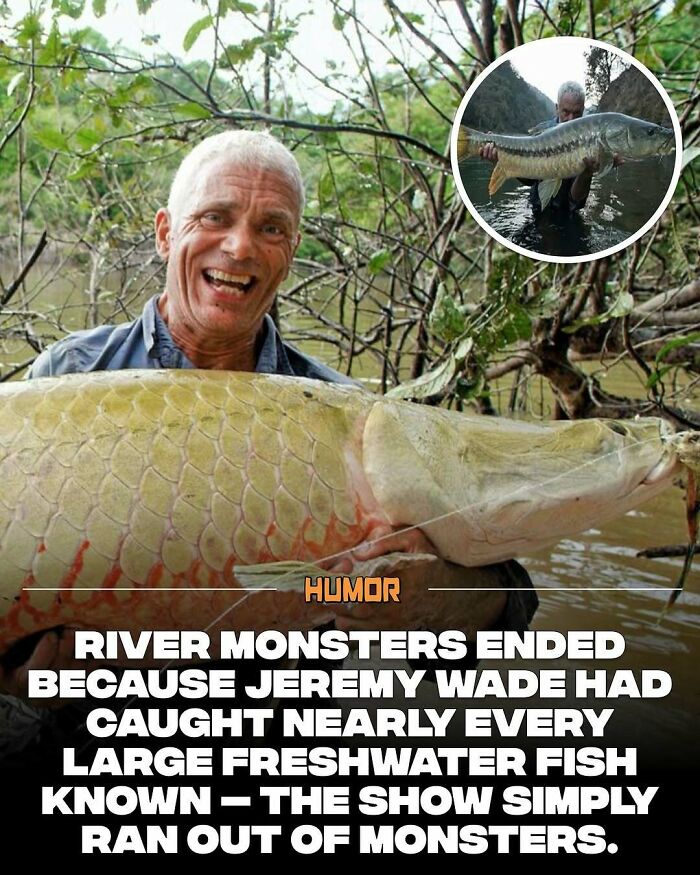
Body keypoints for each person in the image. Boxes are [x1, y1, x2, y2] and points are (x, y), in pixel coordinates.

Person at [0, 130, 537, 718]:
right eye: (215, 217)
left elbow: (502, 610)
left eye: (271, 228)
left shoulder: (341, 413)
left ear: (292, 249)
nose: (239, 247)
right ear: (164, 233)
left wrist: (428, 597)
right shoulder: (70, 377)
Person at [480, 81, 620, 214]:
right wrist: (501, 161)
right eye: (566, 112)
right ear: (557, 108)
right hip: (537, 209)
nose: (571, 118)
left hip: (569, 212)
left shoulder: (589, 140)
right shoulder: (542, 133)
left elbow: (576, 199)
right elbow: (529, 179)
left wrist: (589, 172)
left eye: (577, 113)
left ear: (583, 110)